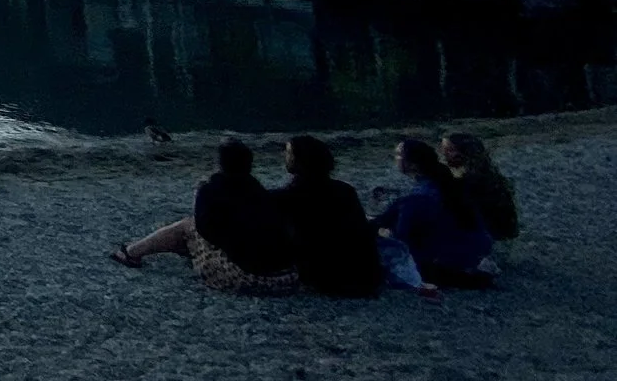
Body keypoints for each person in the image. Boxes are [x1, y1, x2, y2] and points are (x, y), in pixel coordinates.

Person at [110, 138, 299, 294]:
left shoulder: (213, 188)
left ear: (220, 164)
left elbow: (204, 228)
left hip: (249, 278)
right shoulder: (258, 189)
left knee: (186, 226)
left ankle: (131, 252)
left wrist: (199, 196)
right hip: (285, 277)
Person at [373, 139, 493, 292]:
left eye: (398, 155)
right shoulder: (448, 185)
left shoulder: (420, 196)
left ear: (413, 164)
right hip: (474, 249)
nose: (395, 158)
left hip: (443, 258)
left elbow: (403, 241)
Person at [268, 135, 381, 298]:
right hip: (364, 274)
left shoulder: (286, 197)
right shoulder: (345, 190)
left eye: (288, 153)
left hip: (322, 276)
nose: (285, 157)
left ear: (299, 160)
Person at [440, 132, 520, 241]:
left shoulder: (471, 183)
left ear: (462, 154)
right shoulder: (491, 177)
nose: (445, 155)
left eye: (449, 150)